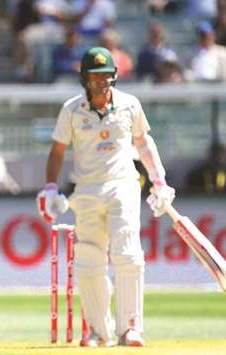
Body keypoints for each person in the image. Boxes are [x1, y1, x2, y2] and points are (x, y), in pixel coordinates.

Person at [36, 47, 175, 347]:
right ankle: (99, 331)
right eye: (96, 76)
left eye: (107, 76)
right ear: (84, 79)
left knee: (128, 254)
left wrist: (159, 179)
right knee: (88, 260)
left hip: (122, 184)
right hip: (85, 190)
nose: (102, 82)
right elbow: (57, 151)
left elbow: (143, 143)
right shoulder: (71, 109)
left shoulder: (129, 105)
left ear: (114, 76)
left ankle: (131, 328)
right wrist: (50, 187)